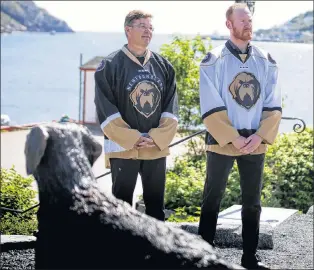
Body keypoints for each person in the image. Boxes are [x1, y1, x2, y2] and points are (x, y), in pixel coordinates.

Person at [198, 3, 281, 269]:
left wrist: (261, 136)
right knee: (212, 199)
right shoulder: (213, 59)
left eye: (250, 20)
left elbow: (273, 102)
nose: (248, 24)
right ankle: (202, 256)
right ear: (229, 25)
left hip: (255, 143)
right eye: (242, 20)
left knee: (252, 203)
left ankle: (250, 257)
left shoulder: (266, 59)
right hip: (222, 143)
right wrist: (232, 136)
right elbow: (209, 102)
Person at [94, 10, 179, 221]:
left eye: (150, 27)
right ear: (128, 29)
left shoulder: (164, 66)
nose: (147, 31)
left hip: (154, 148)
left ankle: (155, 253)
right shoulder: (110, 65)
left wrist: (157, 137)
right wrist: (132, 138)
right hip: (123, 148)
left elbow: (171, 107)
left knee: (156, 208)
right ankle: (120, 254)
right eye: (142, 26)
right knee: (122, 209)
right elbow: (105, 108)